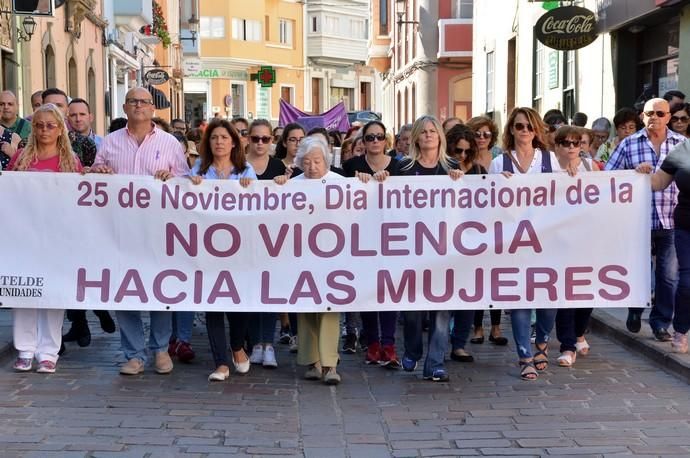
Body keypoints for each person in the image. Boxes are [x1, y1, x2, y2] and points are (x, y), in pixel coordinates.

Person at [89, 87, 190, 375]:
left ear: (152, 108)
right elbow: (96, 173)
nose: (138, 106)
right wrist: (99, 173)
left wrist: (171, 178)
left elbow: (183, 180)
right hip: (119, 230)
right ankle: (133, 354)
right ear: (124, 107)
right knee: (123, 291)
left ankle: (160, 350)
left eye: (143, 102)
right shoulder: (110, 142)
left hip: (157, 230)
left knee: (159, 289)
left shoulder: (170, 143)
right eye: (132, 101)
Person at [373, 115, 464, 382]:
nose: (427, 136)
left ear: (440, 137)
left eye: (432, 131)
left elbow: (467, 203)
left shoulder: (452, 167)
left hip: (444, 247)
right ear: (415, 138)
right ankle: (412, 350)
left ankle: (435, 362)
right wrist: (382, 179)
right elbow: (388, 197)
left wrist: (460, 180)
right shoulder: (403, 167)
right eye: (422, 132)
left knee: (441, 310)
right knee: (412, 310)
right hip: (411, 248)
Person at [8, 104, 83, 373]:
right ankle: (25, 349)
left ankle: (48, 351)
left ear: (60, 129)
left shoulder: (70, 161)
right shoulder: (20, 158)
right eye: (39, 125)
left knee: (53, 293)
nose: (44, 130)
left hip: (56, 238)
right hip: (24, 237)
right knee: (23, 289)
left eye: (50, 125)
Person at [605, 98, 686, 341]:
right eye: (650, 113)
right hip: (636, 220)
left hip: (671, 218)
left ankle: (660, 323)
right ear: (642, 116)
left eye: (660, 113)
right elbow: (609, 177)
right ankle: (634, 308)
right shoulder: (628, 144)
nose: (655, 117)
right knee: (637, 271)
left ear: (668, 117)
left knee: (668, 275)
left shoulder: (682, 145)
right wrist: (632, 174)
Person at [489, 107, 559, 381]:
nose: (525, 131)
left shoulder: (550, 159)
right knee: (519, 300)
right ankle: (524, 355)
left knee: (549, 301)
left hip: (546, 239)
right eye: (519, 126)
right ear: (511, 130)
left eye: (530, 126)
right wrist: (498, 187)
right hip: (514, 242)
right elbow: (489, 205)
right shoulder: (500, 164)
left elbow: (569, 191)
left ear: (537, 130)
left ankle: (541, 340)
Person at [188, 118, 256, 380]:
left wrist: (253, 190)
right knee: (213, 304)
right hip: (207, 248)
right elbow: (178, 201)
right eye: (214, 137)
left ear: (233, 142)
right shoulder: (199, 168)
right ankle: (221, 363)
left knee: (239, 304)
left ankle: (237, 346)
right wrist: (188, 183)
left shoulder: (245, 170)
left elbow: (260, 205)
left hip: (239, 249)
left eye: (224, 138)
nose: (219, 142)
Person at [274, 136, 344, 384]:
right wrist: (279, 185)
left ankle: (330, 365)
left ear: (326, 160)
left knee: (330, 309)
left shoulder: (341, 183)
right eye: (306, 161)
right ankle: (313, 362)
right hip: (301, 256)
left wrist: (367, 183)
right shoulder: (294, 184)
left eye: (317, 161)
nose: (312, 167)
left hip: (334, 257)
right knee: (306, 310)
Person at [342, 120, 401, 367]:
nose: (375, 141)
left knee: (390, 290)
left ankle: (389, 344)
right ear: (362, 142)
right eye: (370, 138)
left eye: (379, 137)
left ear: (386, 140)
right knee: (368, 290)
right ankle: (373, 343)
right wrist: (357, 182)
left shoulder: (399, 166)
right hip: (361, 236)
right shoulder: (352, 166)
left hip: (393, 236)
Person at [636, 139, 690, 353]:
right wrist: (642, 173)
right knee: (686, 282)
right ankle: (681, 329)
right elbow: (658, 182)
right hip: (686, 226)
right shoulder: (683, 149)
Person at [552, 126, 599, 366]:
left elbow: (614, 191)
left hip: (586, 238)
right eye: (566, 143)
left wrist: (640, 173)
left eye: (576, 143)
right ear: (557, 145)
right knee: (565, 294)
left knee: (587, 293)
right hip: (557, 239)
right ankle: (567, 345)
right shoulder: (547, 167)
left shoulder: (591, 167)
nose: (571, 147)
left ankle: (580, 332)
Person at [245, 118, 286, 368]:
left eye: (265, 139)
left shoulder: (278, 165)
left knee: (270, 292)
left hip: (272, 238)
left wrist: (284, 183)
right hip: (244, 238)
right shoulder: (239, 165)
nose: (260, 143)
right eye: (255, 138)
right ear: (248, 139)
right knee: (249, 293)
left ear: (272, 141)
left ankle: (268, 344)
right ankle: (253, 345)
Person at [42, 88, 97, 168]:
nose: (54, 109)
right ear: (41, 108)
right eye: (49, 105)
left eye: (59, 105)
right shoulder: (26, 145)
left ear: (67, 111)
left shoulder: (86, 144)